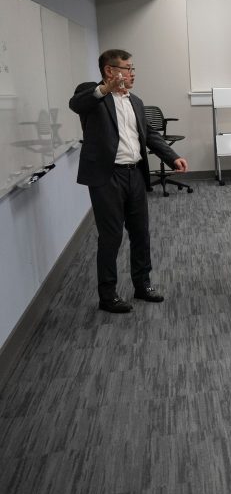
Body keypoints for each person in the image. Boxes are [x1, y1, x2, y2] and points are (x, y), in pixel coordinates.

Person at [69, 49, 188, 313]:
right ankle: (108, 295)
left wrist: (172, 157)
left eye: (133, 68)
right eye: (127, 68)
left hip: (134, 174)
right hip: (107, 176)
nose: (132, 74)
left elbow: (149, 134)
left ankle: (142, 285)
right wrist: (104, 89)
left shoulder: (135, 101)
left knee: (140, 232)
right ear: (109, 71)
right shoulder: (93, 94)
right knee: (110, 237)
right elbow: (76, 104)